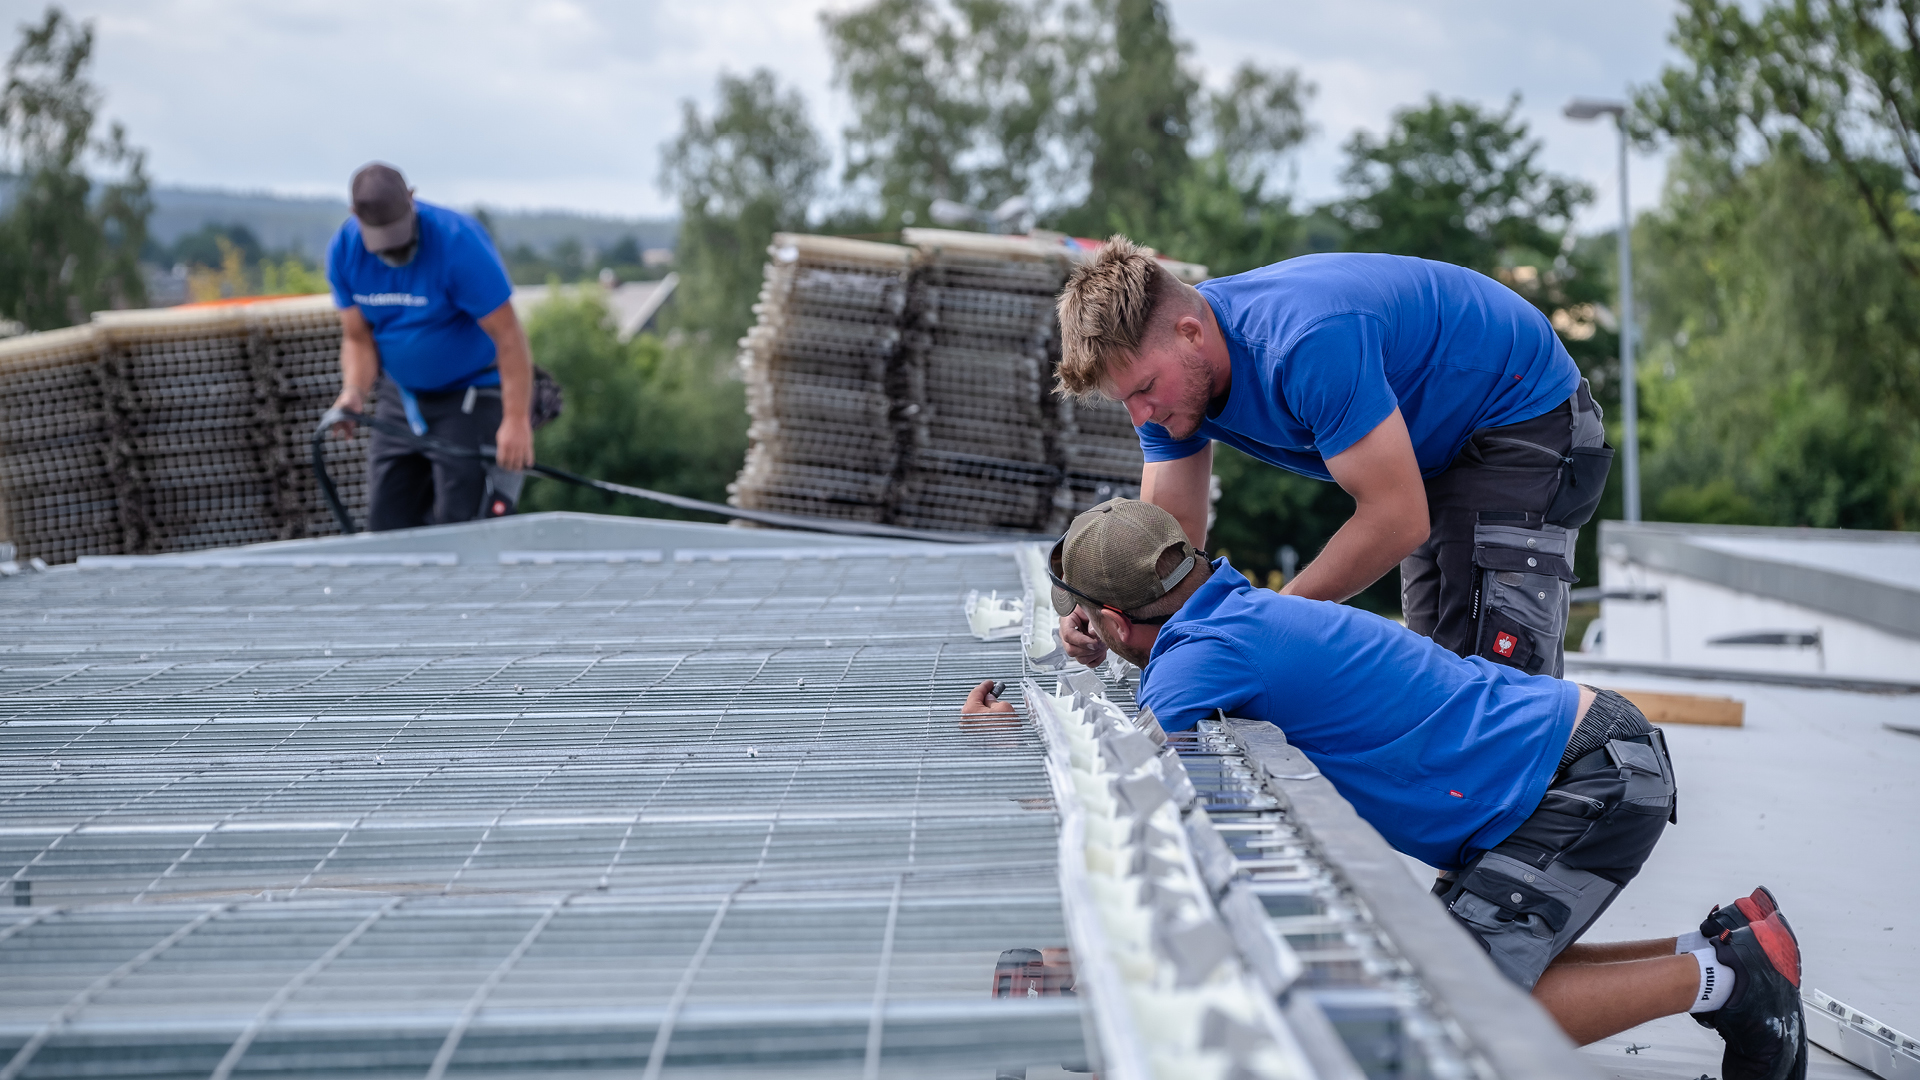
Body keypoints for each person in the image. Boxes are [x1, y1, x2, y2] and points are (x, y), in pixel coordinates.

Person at [966, 498, 1807, 1080]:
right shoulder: (1228, 613)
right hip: (1575, 759)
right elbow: (1159, 744)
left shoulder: (1194, 655)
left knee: (1456, 1012)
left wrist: (1011, 740)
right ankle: (1729, 945)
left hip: (1576, 779)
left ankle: (1730, 975)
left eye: (1093, 626)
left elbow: (1130, 798)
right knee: (1448, 965)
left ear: (1112, 624)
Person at [1051, 238, 1613, 681]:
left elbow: (1396, 518)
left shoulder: (1303, 344)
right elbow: (1167, 554)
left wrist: (1264, 621)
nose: (1142, 416)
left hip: (1520, 415)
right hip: (1434, 452)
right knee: (1439, 671)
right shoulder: (1171, 394)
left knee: (1492, 681)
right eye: (1125, 400)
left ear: (1191, 333)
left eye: (1145, 388)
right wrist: (1107, 605)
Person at [326, 162, 536, 530]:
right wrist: (354, 391)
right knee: (387, 525)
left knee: (463, 524)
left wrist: (516, 419)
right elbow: (358, 338)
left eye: (400, 236)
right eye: (383, 241)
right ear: (354, 215)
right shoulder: (345, 252)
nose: (394, 251)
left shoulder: (459, 243)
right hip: (400, 397)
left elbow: (509, 336)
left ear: (412, 199)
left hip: (468, 394)